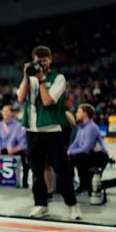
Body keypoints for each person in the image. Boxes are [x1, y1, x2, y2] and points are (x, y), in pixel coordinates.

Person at [16, 45, 81, 220]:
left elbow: (48, 101)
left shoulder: (58, 78)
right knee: (36, 171)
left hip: (52, 130)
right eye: (37, 61)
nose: (40, 65)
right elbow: (20, 98)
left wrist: (41, 80)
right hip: (32, 130)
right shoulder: (30, 78)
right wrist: (26, 76)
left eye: (43, 61)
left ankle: (72, 205)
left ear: (50, 60)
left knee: (62, 169)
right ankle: (41, 204)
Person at [68, 103, 116, 204]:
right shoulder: (81, 127)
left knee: (93, 185)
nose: (76, 114)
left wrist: (70, 152)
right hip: (89, 156)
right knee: (74, 157)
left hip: (99, 158)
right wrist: (69, 151)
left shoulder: (91, 128)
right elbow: (75, 144)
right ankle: (83, 185)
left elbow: (86, 148)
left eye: (78, 112)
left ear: (85, 113)